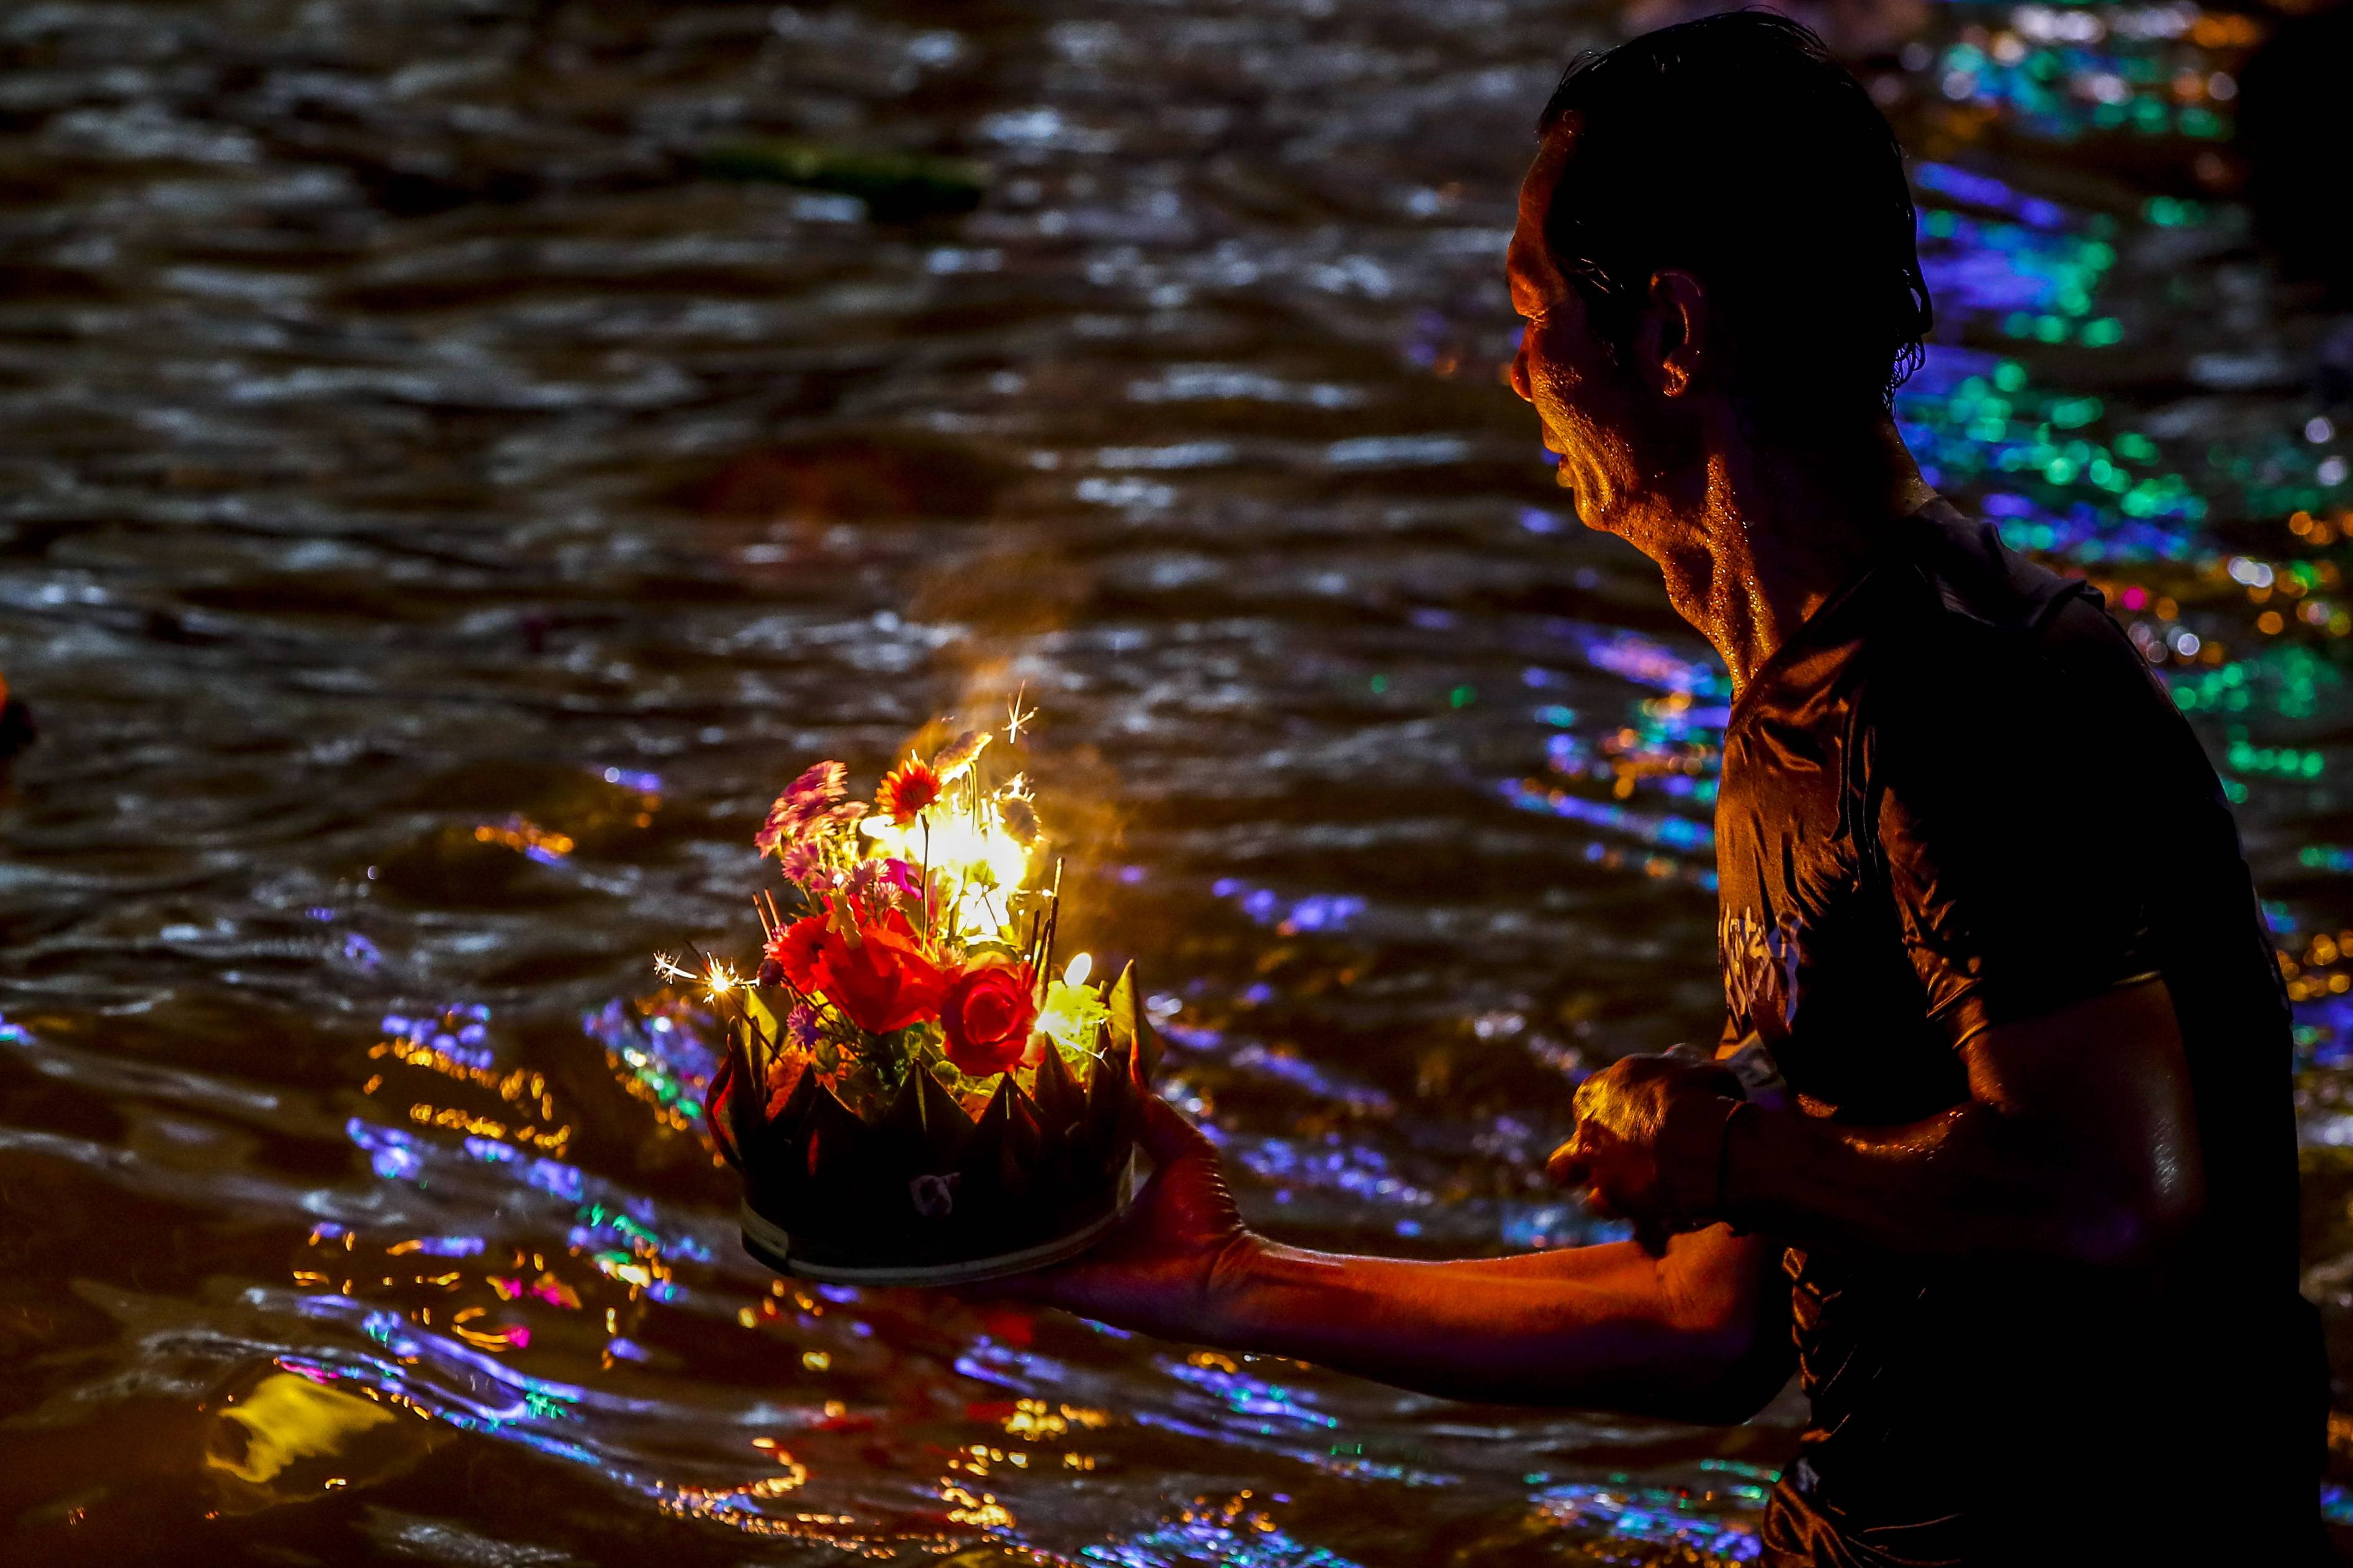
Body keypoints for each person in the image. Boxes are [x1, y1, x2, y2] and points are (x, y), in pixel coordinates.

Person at [991, 12, 2329, 1564]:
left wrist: (1732, 1154)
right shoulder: (1805, 706)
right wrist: (1222, 1278)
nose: (1517, 371)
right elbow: (1711, 1322)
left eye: (1533, 307)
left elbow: (2111, 1202)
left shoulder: (1968, 692)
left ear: (1673, 333)